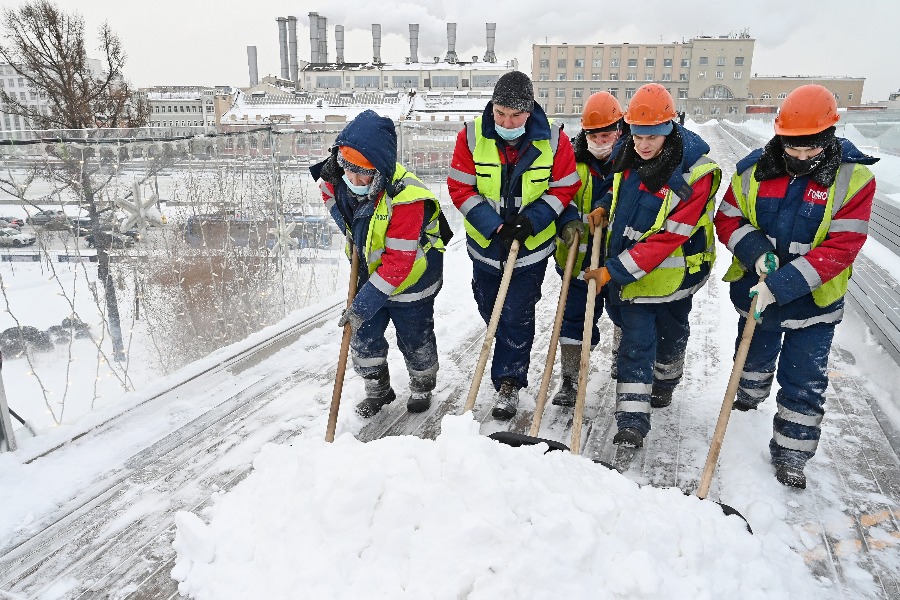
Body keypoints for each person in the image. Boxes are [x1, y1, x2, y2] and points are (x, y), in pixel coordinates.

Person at [713, 84, 877, 489]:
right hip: (757, 293)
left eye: (811, 146)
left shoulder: (853, 179)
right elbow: (728, 219)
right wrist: (754, 252)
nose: (801, 155)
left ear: (830, 135)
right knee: (751, 356)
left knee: (804, 378)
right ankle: (747, 400)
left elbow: (843, 245)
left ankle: (792, 452)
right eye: (793, 145)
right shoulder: (754, 170)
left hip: (814, 302)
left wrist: (783, 283)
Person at [583, 83, 721, 449]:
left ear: (670, 128)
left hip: (674, 277)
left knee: (672, 335)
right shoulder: (627, 155)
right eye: (638, 135)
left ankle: (666, 381)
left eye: (653, 136)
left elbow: (668, 237)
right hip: (636, 281)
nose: (644, 144)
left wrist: (615, 270)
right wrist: (605, 203)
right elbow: (623, 190)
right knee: (636, 344)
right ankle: (631, 420)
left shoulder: (695, 173)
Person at [447, 70, 581, 419]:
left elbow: (564, 188)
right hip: (486, 247)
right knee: (491, 309)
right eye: (500, 113)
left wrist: (532, 220)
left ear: (529, 110)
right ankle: (504, 351)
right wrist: (493, 227)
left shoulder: (553, 140)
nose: (507, 121)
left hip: (529, 251)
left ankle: (509, 383)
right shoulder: (472, 137)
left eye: (515, 115)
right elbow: (460, 188)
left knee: (517, 314)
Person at [311, 109, 448, 418]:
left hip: (413, 279)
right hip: (370, 275)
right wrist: (354, 228)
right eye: (350, 169)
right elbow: (337, 208)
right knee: (362, 335)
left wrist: (362, 305)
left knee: (415, 337)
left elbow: (399, 263)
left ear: (382, 169)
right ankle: (378, 389)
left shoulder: (406, 198)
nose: (356, 179)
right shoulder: (333, 182)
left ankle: (422, 385)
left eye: (366, 172)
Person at [550, 92, 626, 406]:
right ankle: (570, 378)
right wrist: (568, 220)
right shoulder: (571, 158)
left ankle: (623, 365)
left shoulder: (634, 160)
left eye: (607, 133)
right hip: (578, 258)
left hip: (621, 262)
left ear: (620, 130)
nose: (600, 140)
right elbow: (558, 195)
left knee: (624, 317)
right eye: (594, 134)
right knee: (574, 318)